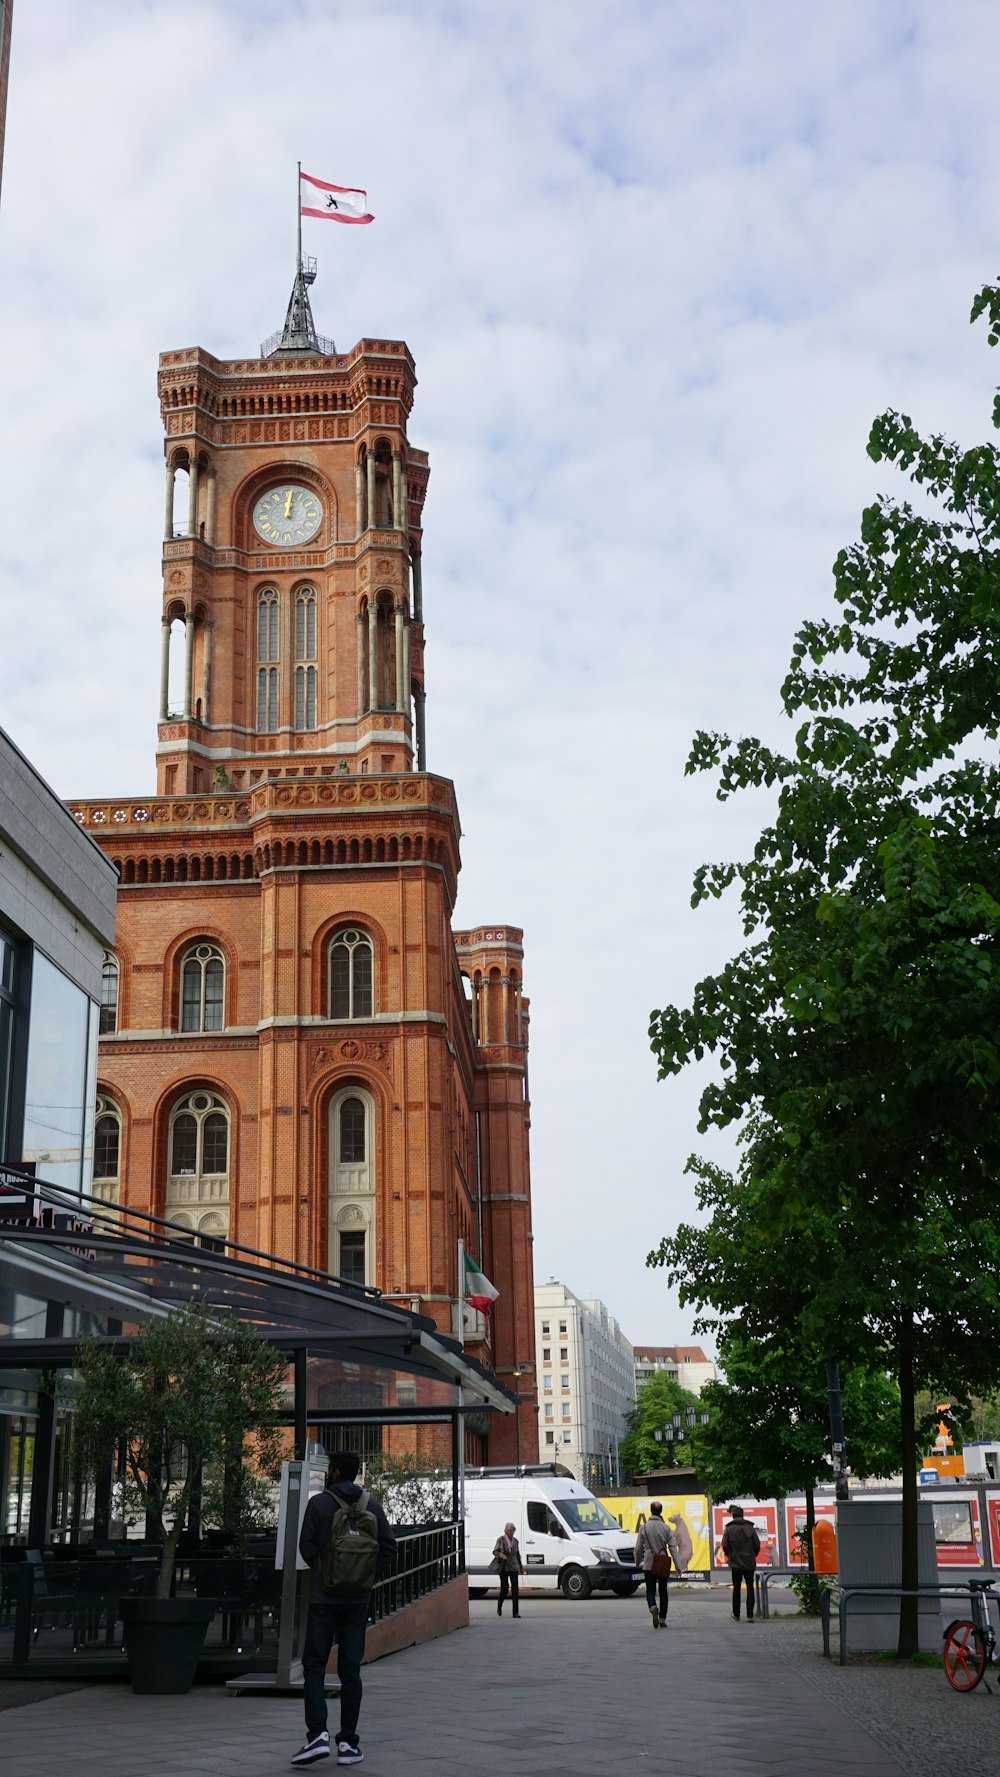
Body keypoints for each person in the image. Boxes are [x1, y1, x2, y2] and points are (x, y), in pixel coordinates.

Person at [293, 1453, 396, 1768]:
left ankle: (317, 1736)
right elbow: (389, 1546)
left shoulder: (319, 1505)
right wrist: (366, 1578)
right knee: (350, 1671)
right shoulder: (372, 1505)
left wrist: (324, 1573)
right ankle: (349, 1744)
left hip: (323, 1599)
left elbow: (305, 1547)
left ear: (335, 1472)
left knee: (314, 1665)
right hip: (357, 1602)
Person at [634, 1501, 681, 1629]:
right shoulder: (665, 1528)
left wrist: (637, 1562)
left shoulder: (644, 1527)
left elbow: (638, 1548)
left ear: (651, 1511)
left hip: (649, 1563)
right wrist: (678, 1566)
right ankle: (662, 1618)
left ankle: (652, 1606)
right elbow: (672, 1547)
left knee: (650, 1590)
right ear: (661, 1511)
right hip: (662, 1562)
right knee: (663, 1591)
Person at [721, 1502, 761, 1621]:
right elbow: (757, 1544)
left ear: (733, 1516)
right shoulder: (750, 1528)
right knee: (750, 1588)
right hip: (749, 1562)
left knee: (736, 1589)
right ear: (742, 1515)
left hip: (735, 1563)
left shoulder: (729, 1529)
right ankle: (750, 1615)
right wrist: (753, 1555)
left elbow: (725, 1545)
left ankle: (736, 1614)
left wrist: (731, 1555)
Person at [493, 1520, 523, 1618]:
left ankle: (515, 1612)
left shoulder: (516, 1541)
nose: (512, 1532)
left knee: (515, 1590)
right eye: (510, 1530)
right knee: (505, 1589)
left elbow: (518, 1555)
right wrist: (502, 1555)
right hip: (504, 1567)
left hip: (514, 1567)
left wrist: (520, 1567)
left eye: (513, 1530)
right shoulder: (501, 1539)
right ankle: (499, 1605)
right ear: (506, 1531)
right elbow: (495, 1551)